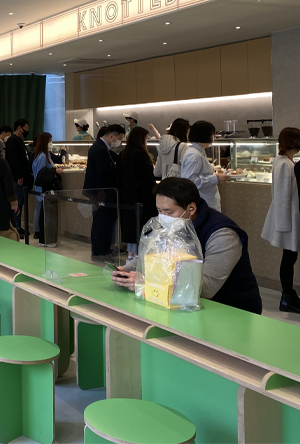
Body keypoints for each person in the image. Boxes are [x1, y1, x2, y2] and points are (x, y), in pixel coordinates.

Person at [111, 178, 262, 314]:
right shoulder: (172, 224)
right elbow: (153, 256)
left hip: (230, 309)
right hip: (181, 304)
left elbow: (205, 287)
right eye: (159, 211)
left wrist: (147, 282)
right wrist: (127, 270)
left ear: (191, 209)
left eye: (168, 211)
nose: (162, 217)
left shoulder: (222, 234)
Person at [262, 127, 300, 313]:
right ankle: (287, 297)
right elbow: (283, 195)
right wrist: (284, 226)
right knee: (289, 258)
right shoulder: (285, 164)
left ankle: (289, 295)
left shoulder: (282, 161)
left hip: (288, 216)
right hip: (288, 218)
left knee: (289, 258)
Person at [84, 124, 125, 262]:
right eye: (118, 138)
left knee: (101, 221)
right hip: (102, 192)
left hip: (99, 191)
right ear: (112, 135)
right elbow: (103, 172)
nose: (118, 141)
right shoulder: (100, 149)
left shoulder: (99, 147)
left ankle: (103, 250)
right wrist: (118, 173)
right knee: (102, 222)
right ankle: (100, 252)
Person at [118, 126, 157, 263]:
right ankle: (139, 257)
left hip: (127, 196)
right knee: (142, 226)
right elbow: (148, 176)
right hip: (142, 196)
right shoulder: (141, 154)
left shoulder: (123, 153)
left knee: (131, 227)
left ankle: (130, 255)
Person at [180, 121, 231, 212]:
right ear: (206, 135)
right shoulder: (195, 155)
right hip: (203, 202)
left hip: (204, 201)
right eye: (213, 134)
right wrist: (216, 178)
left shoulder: (197, 151)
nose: (213, 137)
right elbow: (190, 181)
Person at [31, 132, 63, 246]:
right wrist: (55, 171)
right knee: (45, 214)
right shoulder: (42, 156)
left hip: (45, 188)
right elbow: (41, 174)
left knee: (47, 213)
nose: (51, 143)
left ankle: (48, 238)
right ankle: (45, 240)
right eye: (50, 140)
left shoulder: (45, 155)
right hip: (44, 188)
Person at [5, 118, 34, 233]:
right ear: (19, 128)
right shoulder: (13, 141)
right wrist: (18, 176)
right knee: (17, 203)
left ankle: (18, 226)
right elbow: (13, 160)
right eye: (25, 128)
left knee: (21, 203)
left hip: (21, 176)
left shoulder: (19, 140)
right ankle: (16, 226)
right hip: (18, 178)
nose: (27, 131)